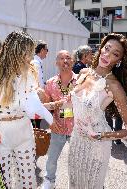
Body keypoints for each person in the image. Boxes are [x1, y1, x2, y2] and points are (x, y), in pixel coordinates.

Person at [68, 33, 127, 188]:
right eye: (106, 48)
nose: (107, 54)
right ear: (100, 49)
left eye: (115, 54)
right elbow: (74, 105)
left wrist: (100, 135)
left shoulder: (113, 86)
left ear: (119, 60)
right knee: (74, 184)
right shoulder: (84, 73)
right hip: (76, 140)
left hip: (96, 145)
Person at [0, 31, 52, 189]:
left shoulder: (28, 71)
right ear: (15, 49)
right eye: (27, 52)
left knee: (28, 178)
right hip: (1, 132)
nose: (30, 57)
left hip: (24, 129)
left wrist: (49, 115)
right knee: (3, 181)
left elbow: (30, 103)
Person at [41, 50, 77, 189]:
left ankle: (75, 182)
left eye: (68, 58)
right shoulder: (50, 83)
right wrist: (51, 122)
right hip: (58, 127)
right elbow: (45, 107)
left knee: (76, 160)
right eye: (61, 58)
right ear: (56, 62)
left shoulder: (81, 81)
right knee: (52, 158)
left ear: (72, 61)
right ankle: (50, 180)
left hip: (77, 129)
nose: (65, 61)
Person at [31, 40, 48, 129]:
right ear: (41, 50)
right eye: (46, 50)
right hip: (36, 94)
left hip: (38, 94)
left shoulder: (38, 62)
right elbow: (34, 81)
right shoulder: (35, 63)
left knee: (37, 116)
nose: (47, 52)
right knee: (36, 117)